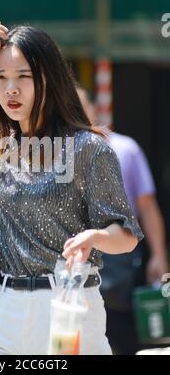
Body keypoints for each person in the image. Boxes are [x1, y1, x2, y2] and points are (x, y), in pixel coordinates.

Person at [0, 20, 144, 355]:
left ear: (48, 79)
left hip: (69, 305)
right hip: (6, 311)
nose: (11, 89)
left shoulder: (88, 148)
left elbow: (127, 235)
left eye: (23, 76)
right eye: (0, 77)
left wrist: (96, 238)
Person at [78, 87, 168, 354]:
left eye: (81, 105)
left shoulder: (124, 148)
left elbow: (147, 206)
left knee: (118, 332)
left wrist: (159, 254)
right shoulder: (53, 151)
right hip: (72, 259)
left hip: (116, 257)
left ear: (95, 108)